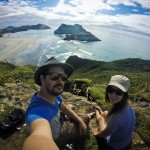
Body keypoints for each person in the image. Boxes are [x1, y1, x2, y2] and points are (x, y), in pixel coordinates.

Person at [22, 57, 95, 150]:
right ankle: (90, 115)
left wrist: (78, 120)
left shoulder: (52, 95)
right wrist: (82, 121)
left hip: (59, 119)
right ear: (42, 79)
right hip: (59, 136)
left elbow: (63, 107)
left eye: (63, 77)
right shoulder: (37, 112)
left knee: (75, 116)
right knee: (84, 119)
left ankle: (83, 117)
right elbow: (39, 136)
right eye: (54, 76)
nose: (60, 81)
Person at [92, 75, 136, 150]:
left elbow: (103, 135)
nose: (113, 95)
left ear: (124, 94)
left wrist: (95, 133)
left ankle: (96, 111)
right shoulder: (128, 106)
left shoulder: (116, 116)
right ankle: (99, 110)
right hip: (126, 142)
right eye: (110, 89)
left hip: (114, 147)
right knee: (105, 113)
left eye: (118, 92)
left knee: (101, 119)